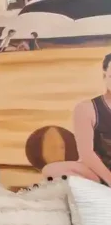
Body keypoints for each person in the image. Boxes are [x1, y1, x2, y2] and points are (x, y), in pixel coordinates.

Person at [42, 52, 111, 185]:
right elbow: (87, 154)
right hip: (98, 172)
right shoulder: (86, 108)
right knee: (50, 170)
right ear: (104, 76)